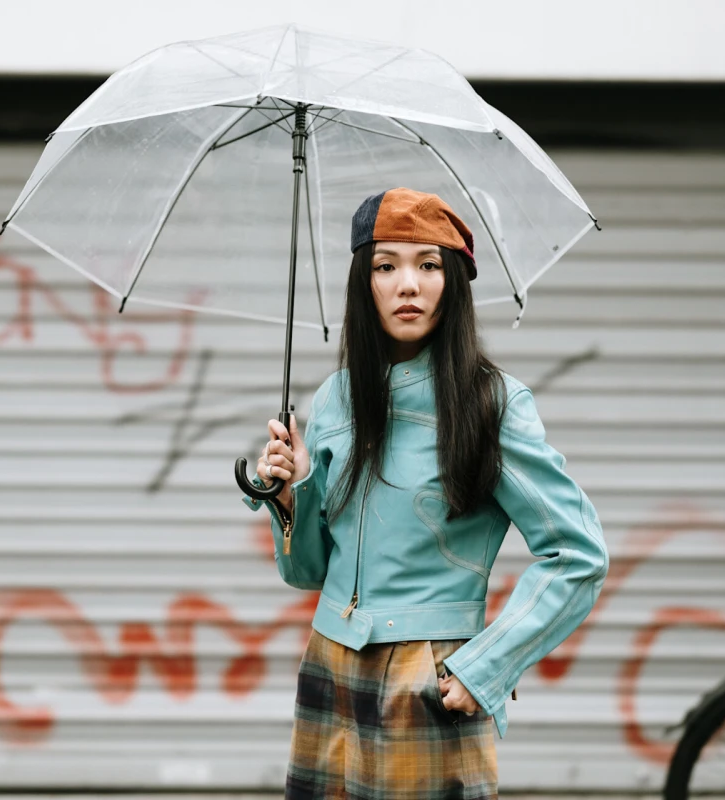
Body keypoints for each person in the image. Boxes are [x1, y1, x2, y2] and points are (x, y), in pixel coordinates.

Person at [241, 188, 609, 799]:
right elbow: (309, 573)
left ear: (453, 283)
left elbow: (579, 554)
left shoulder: (491, 404)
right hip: (330, 661)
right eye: (385, 266)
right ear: (363, 284)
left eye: (428, 265)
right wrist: (291, 497)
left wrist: (487, 667)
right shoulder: (336, 399)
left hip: (429, 678)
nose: (407, 285)